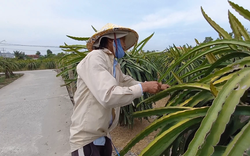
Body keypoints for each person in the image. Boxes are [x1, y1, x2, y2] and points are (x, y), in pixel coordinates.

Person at [70, 23, 169, 156]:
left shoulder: (113, 65)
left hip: (102, 136)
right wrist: (143, 87)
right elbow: (108, 95)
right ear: (112, 39)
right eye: (123, 40)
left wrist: (155, 86)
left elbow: (127, 82)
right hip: (87, 141)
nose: (125, 46)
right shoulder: (95, 58)